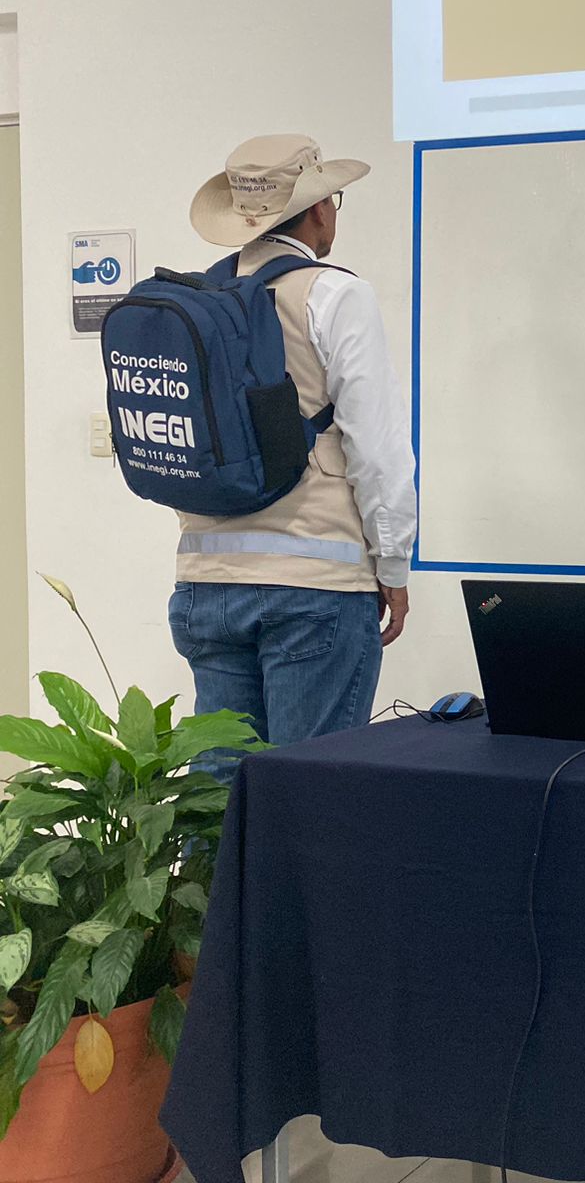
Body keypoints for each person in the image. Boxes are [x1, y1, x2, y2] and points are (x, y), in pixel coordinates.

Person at [169, 134, 417, 746]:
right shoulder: (333, 294)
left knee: (218, 790)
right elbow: (377, 448)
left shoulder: (200, 300)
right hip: (316, 582)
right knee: (310, 786)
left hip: (205, 581)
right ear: (318, 209)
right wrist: (392, 564)